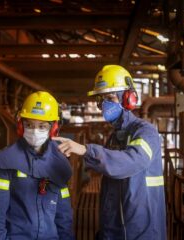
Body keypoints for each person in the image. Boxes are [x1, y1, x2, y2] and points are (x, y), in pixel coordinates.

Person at [53, 65, 167, 240]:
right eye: (101, 100)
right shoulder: (114, 138)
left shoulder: (146, 132)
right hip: (114, 232)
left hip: (141, 233)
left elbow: (130, 161)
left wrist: (85, 150)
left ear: (128, 98)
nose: (104, 105)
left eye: (110, 97)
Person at [0, 91, 74, 240]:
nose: (34, 131)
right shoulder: (6, 161)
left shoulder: (60, 164)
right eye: (29, 125)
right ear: (21, 126)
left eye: (42, 126)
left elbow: (64, 215)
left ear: (53, 128)